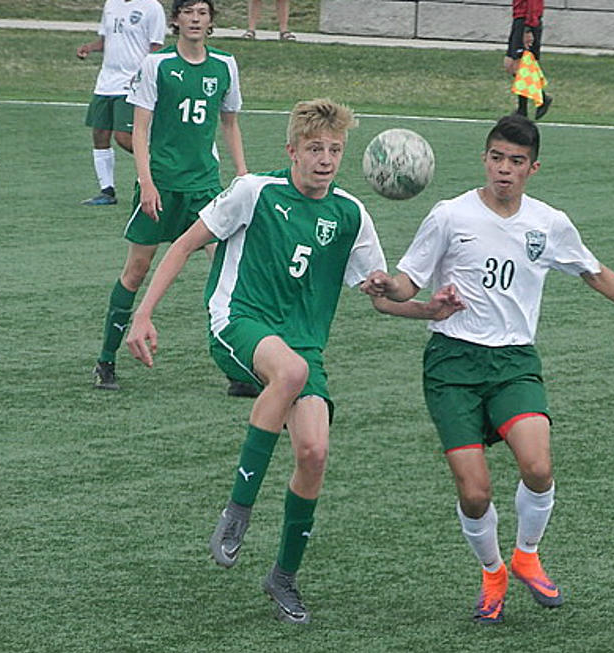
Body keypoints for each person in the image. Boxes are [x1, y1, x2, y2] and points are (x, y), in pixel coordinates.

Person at [125, 98, 461, 624]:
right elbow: (184, 246)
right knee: (292, 372)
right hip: (239, 321)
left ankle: (283, 576)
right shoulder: (254, 191)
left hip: (302, 345)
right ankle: (238, 510)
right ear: (292, 150)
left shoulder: (350, 213)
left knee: (314, 452)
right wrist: (143, 314)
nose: (325, 159)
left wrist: (426, 306)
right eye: (314, 149)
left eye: (334, 150)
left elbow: (380, 294)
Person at [362, 114, 614, 624]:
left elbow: (595, 273)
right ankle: (493, 571)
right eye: (496, 158)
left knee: (538, 466)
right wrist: (388, 287)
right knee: (474, 492)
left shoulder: (548, 223)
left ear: (532, 168)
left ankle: (526, 554)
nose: (504, 170)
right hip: (453, 361)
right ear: (484, 159)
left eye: (515, 162)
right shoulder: (450, 216)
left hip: (515, 361)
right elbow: (410, 283)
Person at [92, 0, 247, 391]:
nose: (195, 20)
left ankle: (239, 368)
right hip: (161, 184)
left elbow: (229, 124)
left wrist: (243, 176)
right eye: (188, 13)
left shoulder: (225, 65)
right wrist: (146, 181)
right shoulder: (156, 65)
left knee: (228, 273)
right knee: (137, 271)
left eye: (203, 13)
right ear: (175, 19)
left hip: (205, 188)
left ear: (211, 21)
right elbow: (139, 130)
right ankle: (106, 360)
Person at [77, 0, 166, 206]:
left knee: (124, 137)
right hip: (106, 81)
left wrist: (146, 76)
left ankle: (162, 166)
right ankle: (107, 191)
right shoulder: (111, 4)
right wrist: (89, 48)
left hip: (131, 82)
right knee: (99, 134)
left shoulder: (151, 7)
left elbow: (156, 48)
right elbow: (105, 39)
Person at [504, 0, 551, 121]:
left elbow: (533, 4)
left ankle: (522, 110)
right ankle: (541, 98)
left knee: (521, 66)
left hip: (526, 22)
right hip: (519, 20)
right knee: (510, 64)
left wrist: (528, 29)